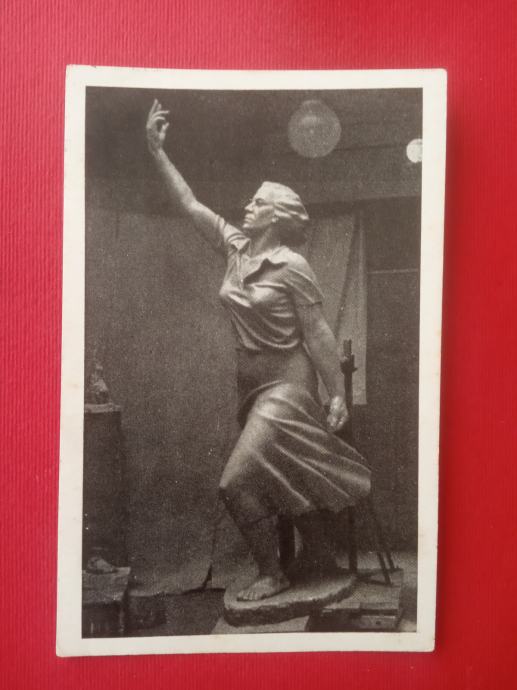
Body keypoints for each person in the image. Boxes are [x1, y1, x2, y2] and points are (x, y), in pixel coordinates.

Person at [146, 99, 371, 602]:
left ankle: (273, 573)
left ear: (276, 216)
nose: (246, 206)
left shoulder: (292, 265)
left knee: (237, 482)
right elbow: (189, 204)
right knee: (280, 472)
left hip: (289, 387)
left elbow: (317, 333)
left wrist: (336, 393)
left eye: (256, 202)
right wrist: (157, 151)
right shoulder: (236, 247)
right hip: (250, 388)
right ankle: (318, 558)